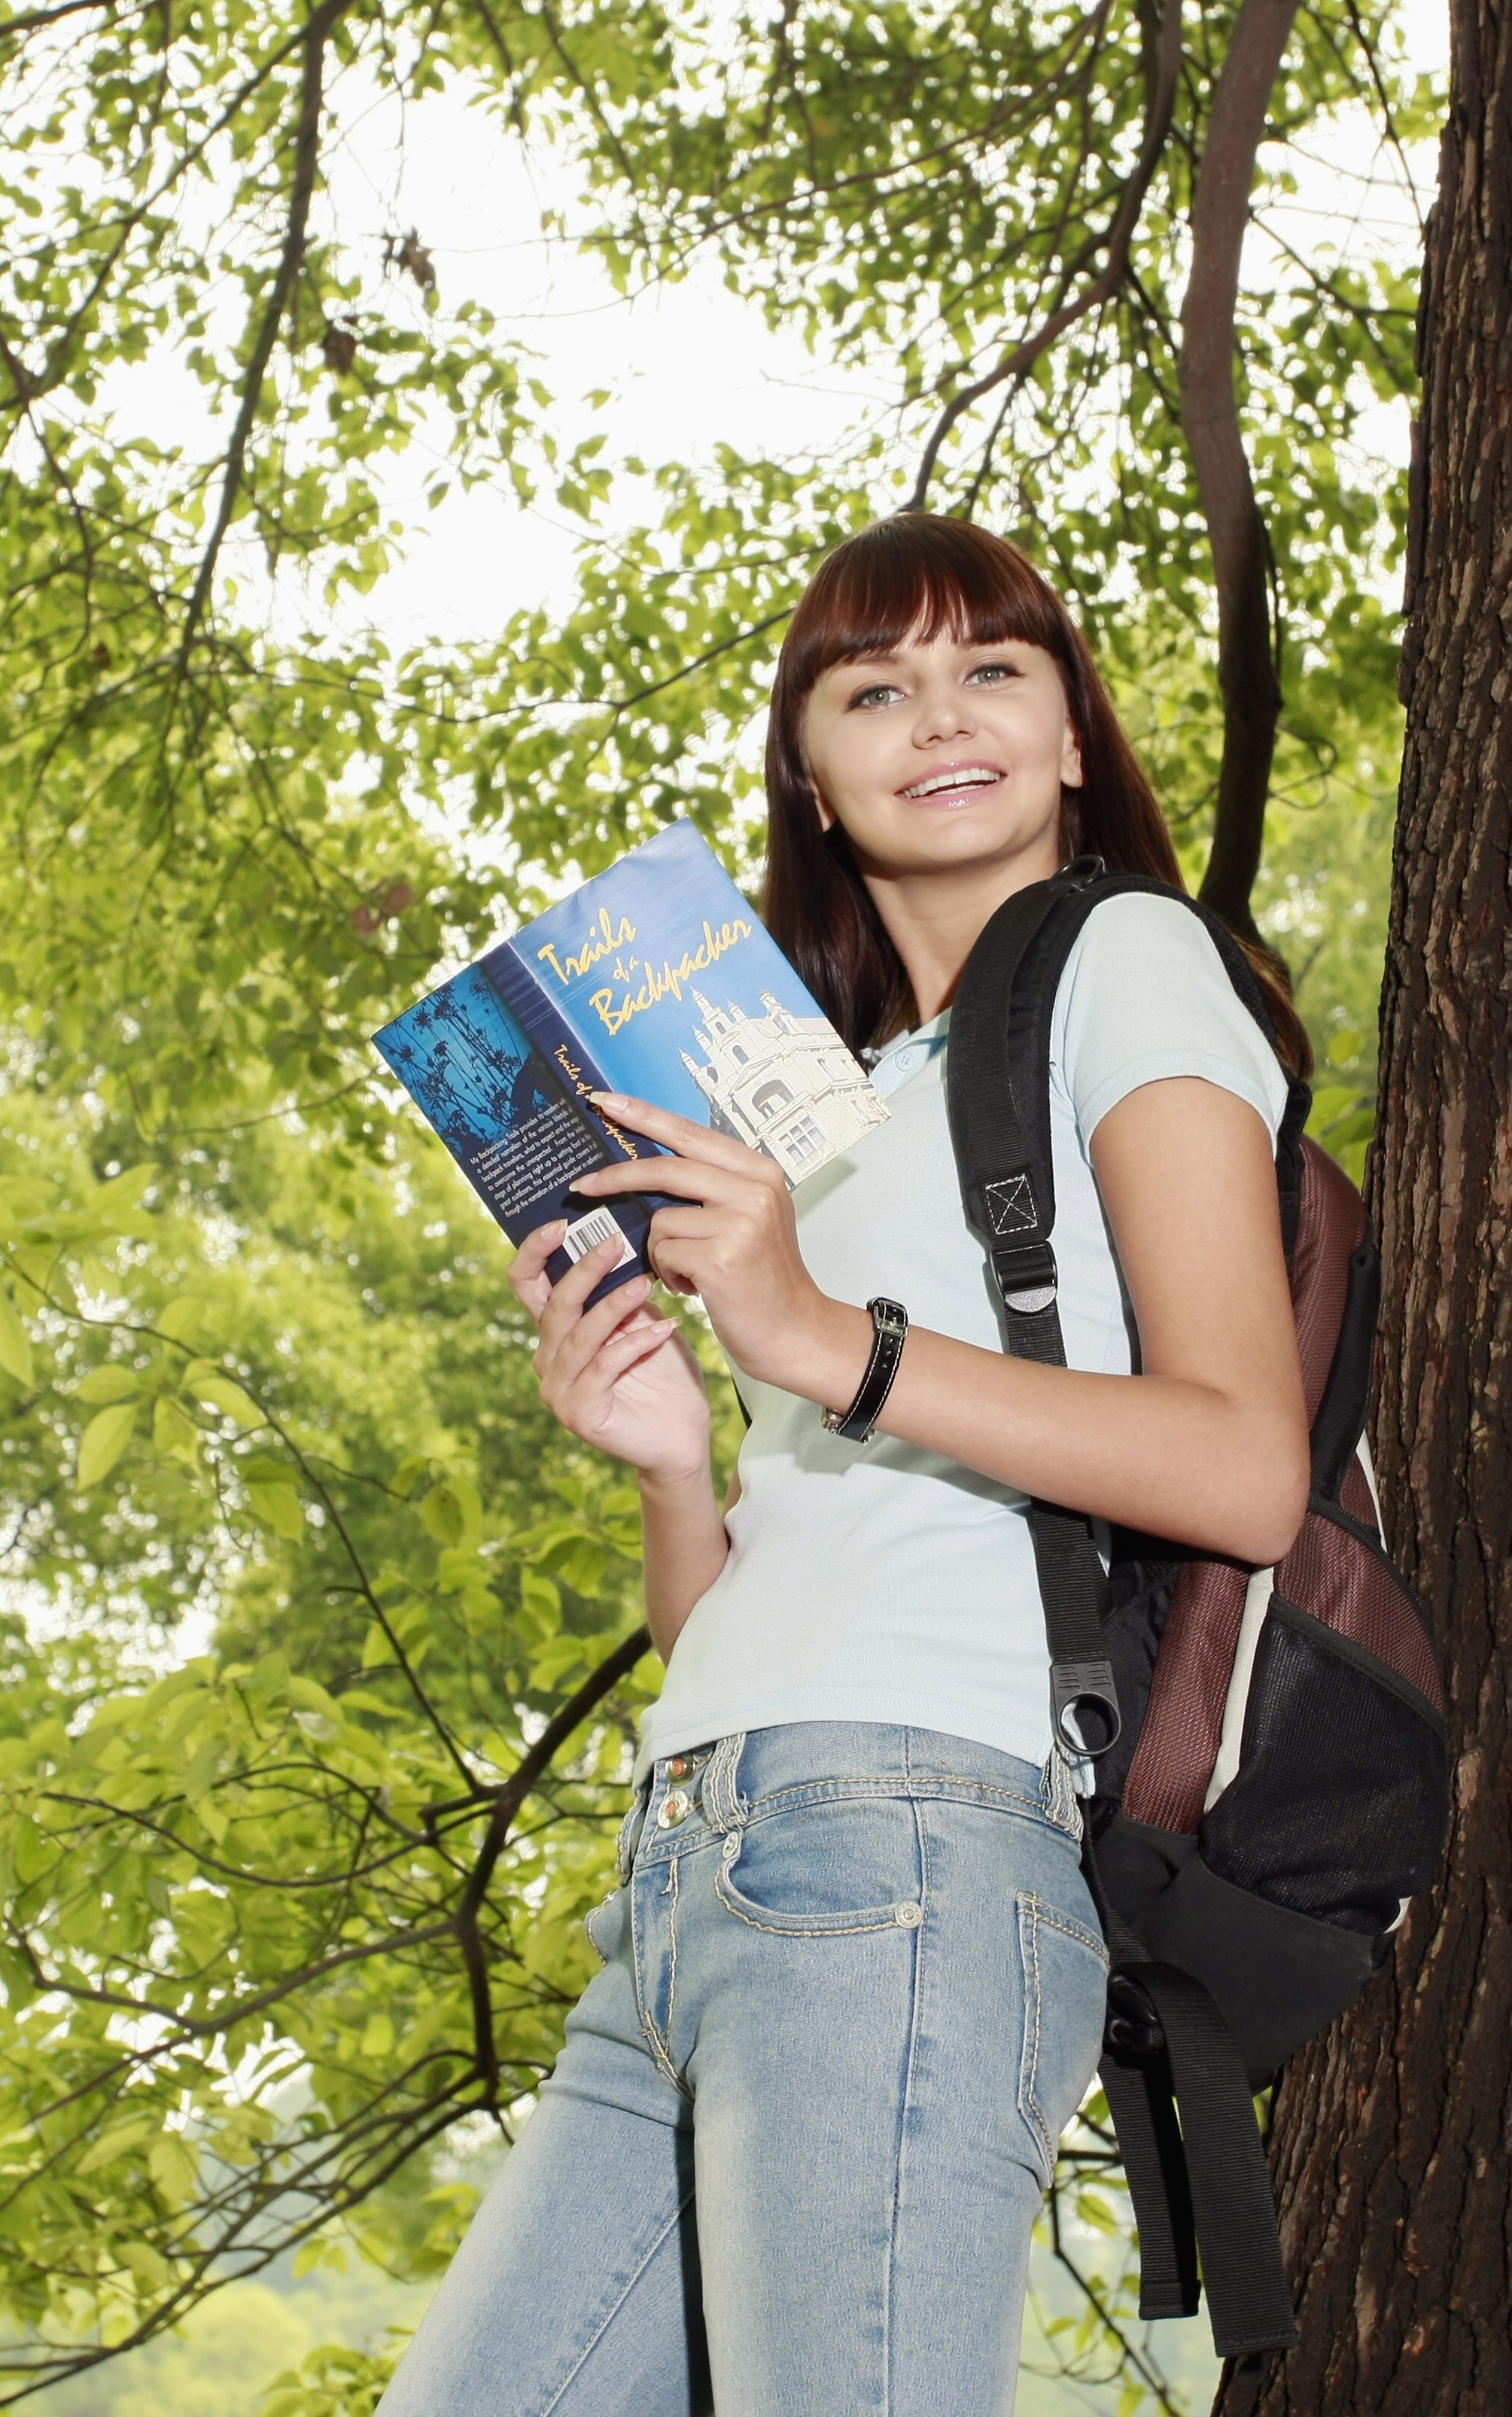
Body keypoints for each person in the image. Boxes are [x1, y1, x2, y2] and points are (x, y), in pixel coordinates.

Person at [379, 513, 1313, 2416]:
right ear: (812, 769)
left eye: (995, 670)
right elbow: (732, 1621)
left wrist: (822, 1341)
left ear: (1072, 736)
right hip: (688, 1866)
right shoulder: (826, 1100)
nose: (937, 715)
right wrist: (666, 1459)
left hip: (911, 1844)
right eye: (872, 687)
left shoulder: (1131, 957)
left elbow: (1243, 1465)